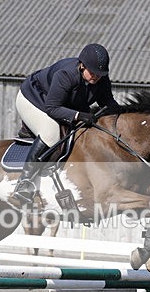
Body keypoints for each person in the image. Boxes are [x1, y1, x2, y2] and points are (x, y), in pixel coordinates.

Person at [10, 43, 120, 207]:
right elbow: (52, 108)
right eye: (93, 72)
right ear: (82, 65)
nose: (96, 76)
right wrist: (78, 115)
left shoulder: (101, 80)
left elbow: (108, 103)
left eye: (100, 73)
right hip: (34, 98)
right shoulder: (67, 74)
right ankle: (24, 184)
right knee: (52, 134)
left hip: (62, 104)